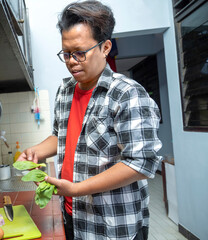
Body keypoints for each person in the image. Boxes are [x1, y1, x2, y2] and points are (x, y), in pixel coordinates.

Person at [17, 1, 162, 239]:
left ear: (105, 47)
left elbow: (141, 163)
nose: (72, 61)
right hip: (73, 215)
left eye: (80, 53)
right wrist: (37, 151)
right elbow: (59, 135)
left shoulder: (127, 93)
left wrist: (76, 189)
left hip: (113, 224)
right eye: (66, 53)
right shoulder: (65, 91)